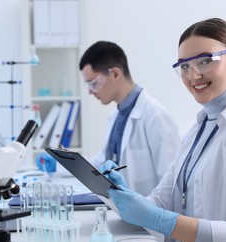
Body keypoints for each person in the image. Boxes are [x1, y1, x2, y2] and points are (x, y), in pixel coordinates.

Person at [105, 18, 226, 242]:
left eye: (205, 61)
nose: (194, 75)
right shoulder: (199, 129)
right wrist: (127, 197)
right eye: (184, 66)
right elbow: (163, 199)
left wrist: (160, 219)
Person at [38, 41, 181, 196]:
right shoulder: (116, 116)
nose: (90, 92)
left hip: (149, 215)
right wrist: (61, 163)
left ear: (115, 74)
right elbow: (101, 165)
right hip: (122, 208)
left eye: (94, 83)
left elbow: (172, 183)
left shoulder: (155, 116)